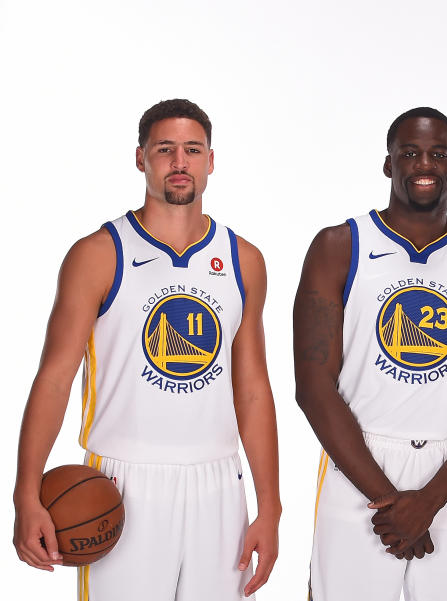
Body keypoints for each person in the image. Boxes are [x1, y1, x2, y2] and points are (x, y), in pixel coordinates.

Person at [12, 99, 281, 600]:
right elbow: (53, 378)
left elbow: (253, 390)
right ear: (141, 159)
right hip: (120, 482)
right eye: (165, 149)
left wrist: (271, 506)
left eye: (192, 150)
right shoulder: (97, 254)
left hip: (219, 483)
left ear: (211, 160)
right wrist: (26, 493)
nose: (180, 162)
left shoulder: (244, 260)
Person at [293, 106, 447, 601]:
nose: (425, 164)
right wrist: (388, 499)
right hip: (357, 464)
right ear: (388, 163)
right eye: (410, 153)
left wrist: (430, 501)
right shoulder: (339, 246)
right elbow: (312, 386)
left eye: (439, 154)